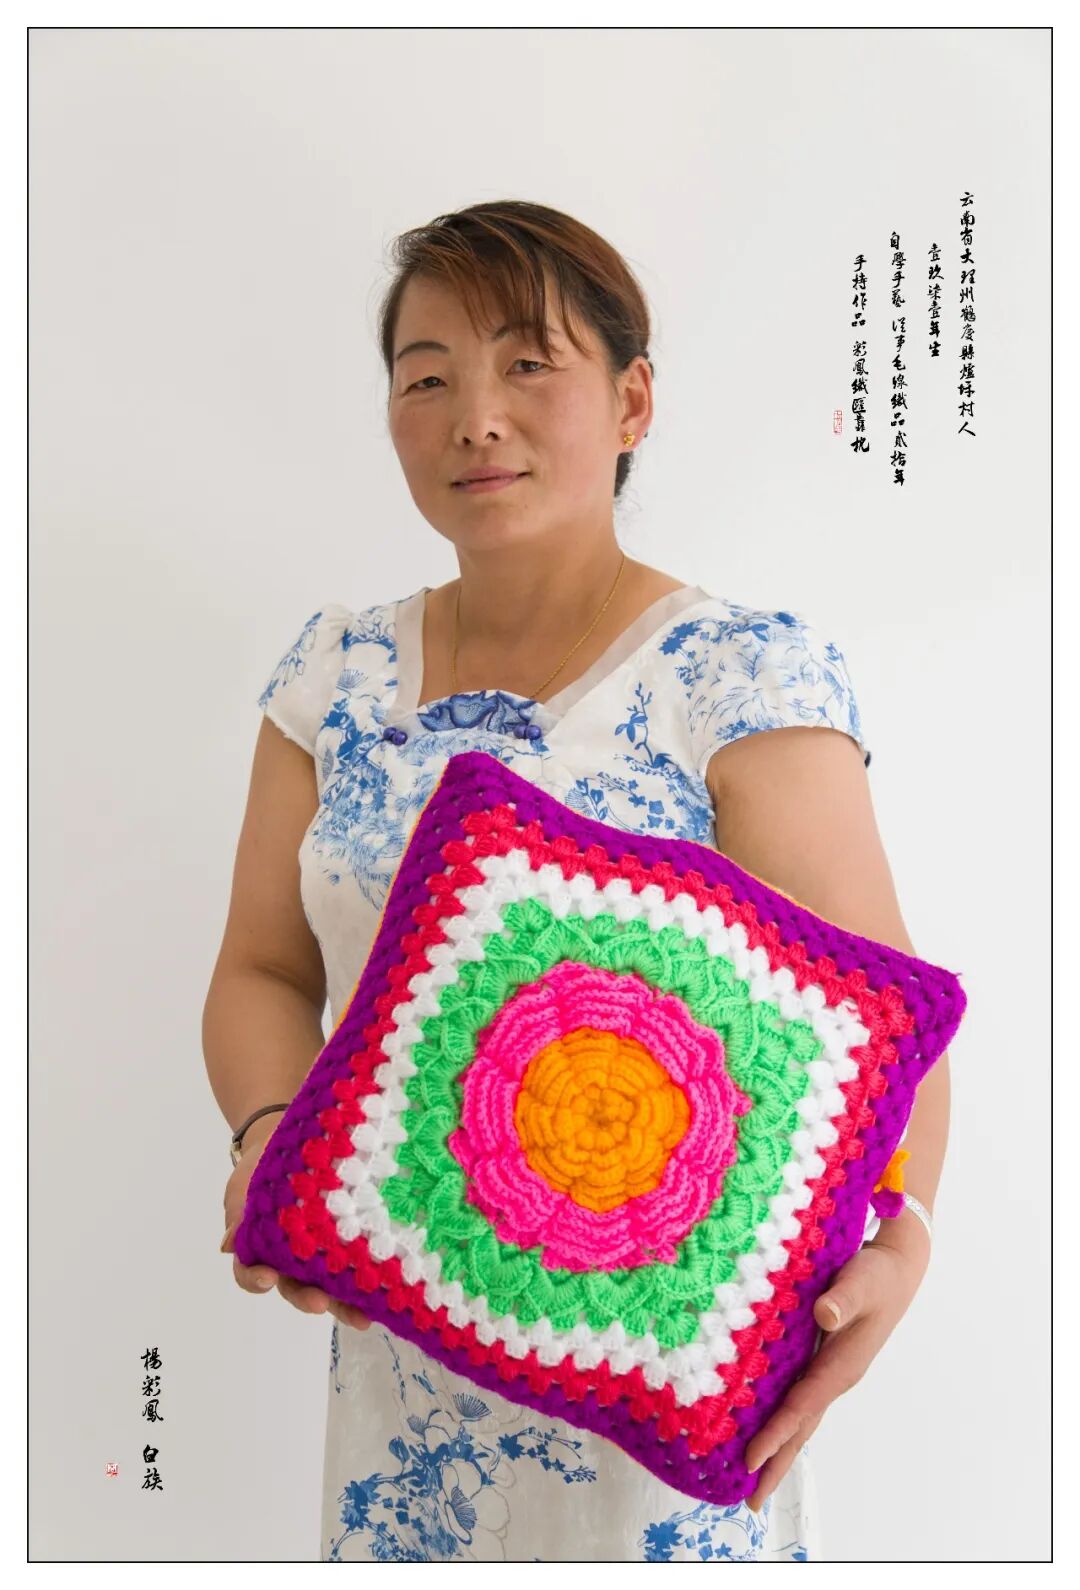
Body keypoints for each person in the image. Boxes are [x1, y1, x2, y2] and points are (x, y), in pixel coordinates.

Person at [204, 200, 949, 1563]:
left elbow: (876, 1026)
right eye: (426, 377)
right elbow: (261, 967)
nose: (474, 417)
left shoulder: (736, 675)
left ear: (632, 400)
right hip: (404, 1394)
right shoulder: (332, 675)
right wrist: (269, 1137)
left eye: (528, 363)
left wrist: (901, 1245)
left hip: (665, 1412)